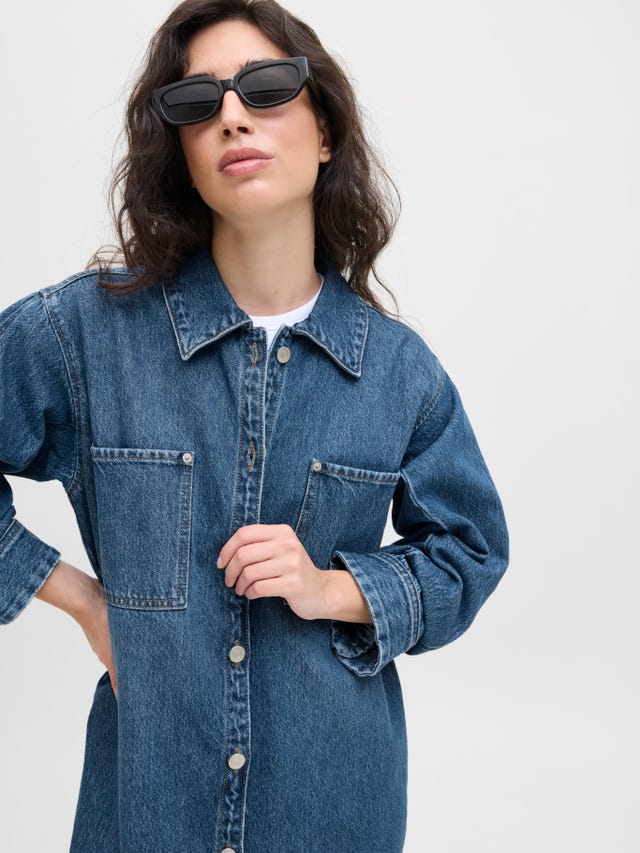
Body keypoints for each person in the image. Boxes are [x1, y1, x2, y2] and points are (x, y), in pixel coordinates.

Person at [0, 0, 509, 850]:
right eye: (197, 102)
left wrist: (329, 587)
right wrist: (83, 601)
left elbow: (471, 550)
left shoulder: (398, 371)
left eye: (266, 87)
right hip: (147, 814)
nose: (232, 115)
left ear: (325, 132)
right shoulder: (85, 336)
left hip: (332, 811)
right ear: (183, 156)